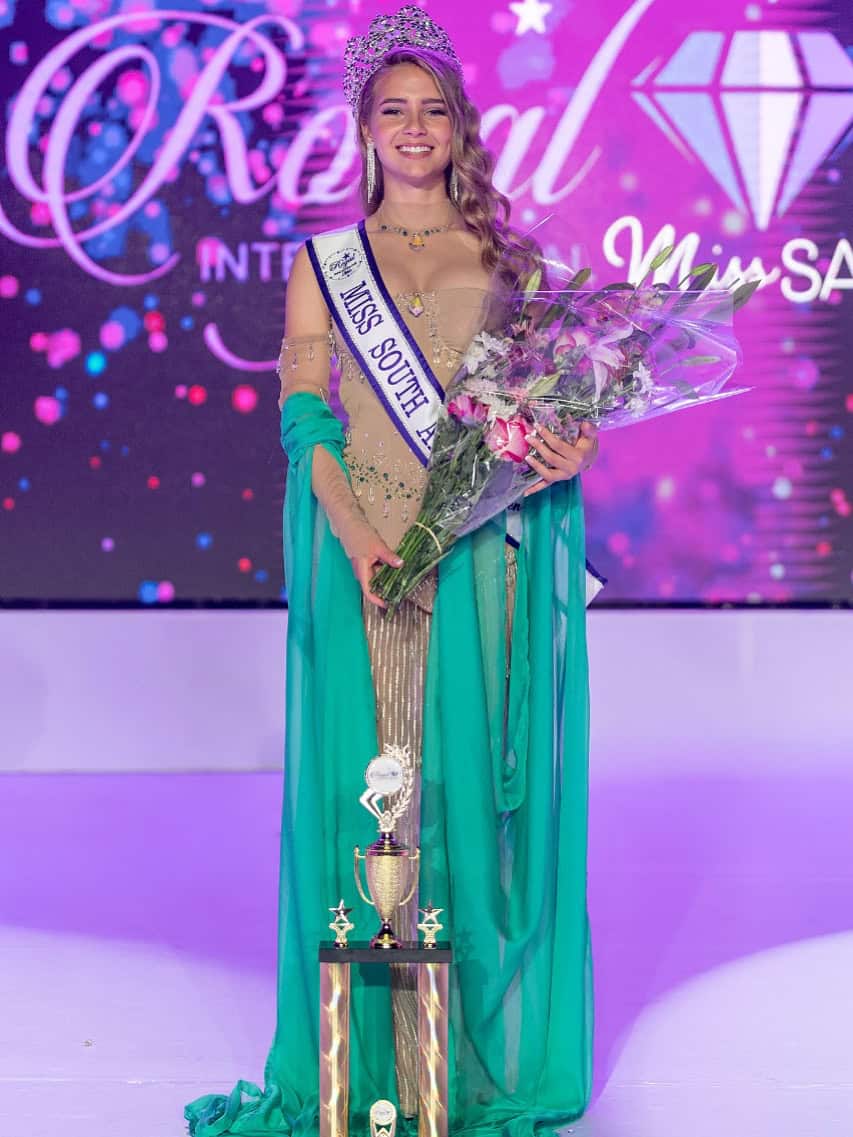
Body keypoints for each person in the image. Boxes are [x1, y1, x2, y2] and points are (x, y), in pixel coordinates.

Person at [186, 7, 598, 1136]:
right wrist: (362, 543)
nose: (414, 129)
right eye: (392, 111)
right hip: (362, 556)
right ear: (363, 127)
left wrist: (572, 445)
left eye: (433, 111)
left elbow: (557, 405)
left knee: (461, 796)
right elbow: (305, 421)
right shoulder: (325, 264)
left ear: (459, 125)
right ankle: (360, 1059)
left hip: (477, 563)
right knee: (370, 794)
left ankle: (451, 1066)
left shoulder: (512, 262)